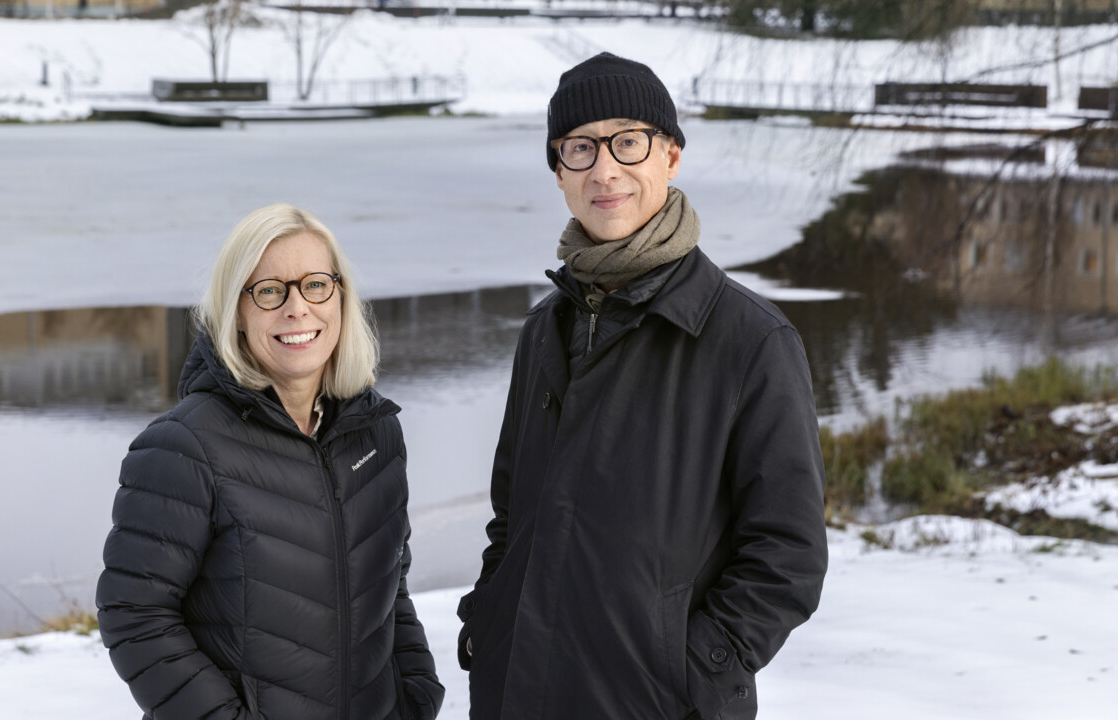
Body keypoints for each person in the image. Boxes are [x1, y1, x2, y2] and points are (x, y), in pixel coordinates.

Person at [456, 53, 828, 720]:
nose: (605, 170)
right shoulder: (544, 331)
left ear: (671, 157)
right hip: (519, 693)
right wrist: (489, 618)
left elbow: (789, 552)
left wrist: (699, 666)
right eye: (580, 148)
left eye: (628, 141)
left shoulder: (749, 340)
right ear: (558, 171)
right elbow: (512, 515)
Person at [96, 204, 444, 720]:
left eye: (316, 285)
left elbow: (389, 583)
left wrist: (415, 694)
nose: (298, 309)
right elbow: (135, 614)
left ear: (341, 297)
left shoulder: (375, 433)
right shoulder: (183, 446)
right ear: (235, 311)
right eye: (269, 290)